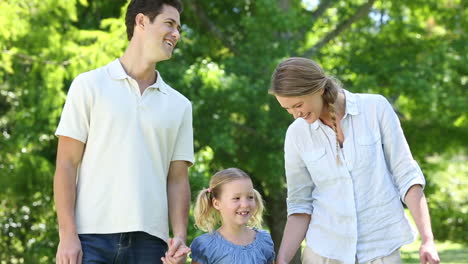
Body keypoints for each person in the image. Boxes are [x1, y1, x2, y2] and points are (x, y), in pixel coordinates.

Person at [53, 0, 193, 263]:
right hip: (90, 239)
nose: (177, 34)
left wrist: (180, 238)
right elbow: (66, 164)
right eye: (169, 24)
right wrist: (67, 235)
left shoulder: (180, 105)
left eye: (178, 27)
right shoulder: (89, 85)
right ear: (141, 21)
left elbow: (177, 179)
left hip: (151, 244)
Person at [269, 57, 440, 264]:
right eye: (287, 109)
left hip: (380, 250)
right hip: (324, 253)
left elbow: (407, 175)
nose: (296, 115)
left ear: (318, 89)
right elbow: (300, 205)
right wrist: (282, 260)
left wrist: (427, 240)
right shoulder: (296, 134)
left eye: (298, 105)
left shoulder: (375, 108)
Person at [186, 168, 275, 264]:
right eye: (236, 198)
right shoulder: (205, 246)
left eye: (250, 197)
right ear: (217, 204)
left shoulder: (265, 241)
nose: (245, 204)